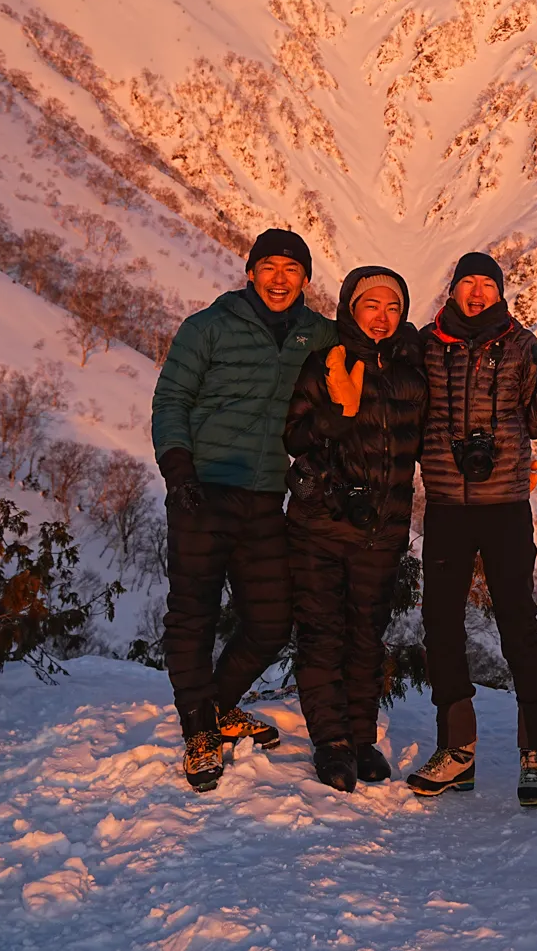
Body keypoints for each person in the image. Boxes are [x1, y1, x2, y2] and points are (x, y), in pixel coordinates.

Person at [151, 228, 336, 791]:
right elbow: (171, 400)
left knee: (271, 620)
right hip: (202, 491)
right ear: (250, 271)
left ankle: (215, 708)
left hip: (263, 496)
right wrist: (179, 471)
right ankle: (199, 732)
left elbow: (375, 347)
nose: (280, 279)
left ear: (306, 279)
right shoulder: (207, 327)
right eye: (269, 267)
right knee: (193, 616)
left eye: (292, 270)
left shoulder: (317, 334)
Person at [407, 251, 537, 806]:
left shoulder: (521, 344)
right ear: (452, 289)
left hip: (503, 505)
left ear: (500, 292)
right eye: (467, 283)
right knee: (440, 623)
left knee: (517, 620)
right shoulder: (428, 344)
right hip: (447, 502)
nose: (477, 293)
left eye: (486, 285)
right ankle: (457, 751)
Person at [282, 266, 426, 791]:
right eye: (371, 306)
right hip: (321, 523)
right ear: (350, 309)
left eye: (392, 307)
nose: (382, 317)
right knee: (322, 634)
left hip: (383, 529)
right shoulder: (327, 362)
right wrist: (339, 412)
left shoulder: (413, 371)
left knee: (367, 635)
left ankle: (361, 738)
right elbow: (296, 436)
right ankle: (332, 742)